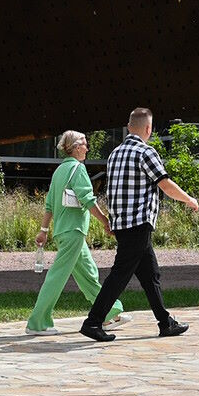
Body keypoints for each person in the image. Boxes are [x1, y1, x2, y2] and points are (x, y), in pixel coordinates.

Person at [79, 107, 199, 342]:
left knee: (150, 275)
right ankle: (92, 322)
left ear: (128, 127)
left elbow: (112, 191)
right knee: (120, 275)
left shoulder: (115, 154)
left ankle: (165, 322)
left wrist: (112, 220)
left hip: (122, 224)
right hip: (139, 223)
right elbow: (165, 184)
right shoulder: (146, 152)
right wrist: (189, 200)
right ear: (148, 129)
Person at [25, 130, 127, 335]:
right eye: (85, 145)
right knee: (56, 277)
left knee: (89, 274)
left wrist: (43, 231)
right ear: (76, 147)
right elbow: (88, 200)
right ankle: (37, 323)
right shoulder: (78, 169)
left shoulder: (59, 171)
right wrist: (105, 222)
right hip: (74, 232)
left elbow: (49, 205)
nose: (87, 149)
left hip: (66, 232)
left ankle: (109, 313)